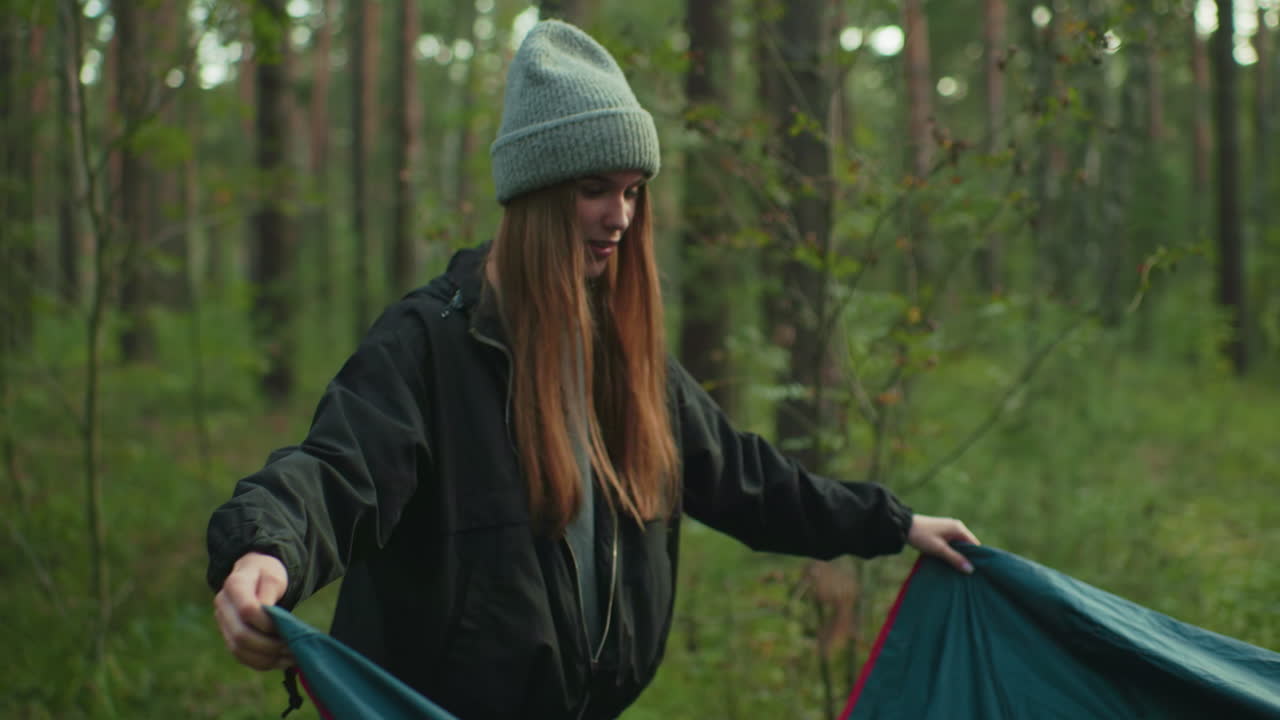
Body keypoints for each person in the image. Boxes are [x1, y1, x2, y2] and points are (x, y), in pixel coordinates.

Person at [208, 19, 979, 720]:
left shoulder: (622, 355)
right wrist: (264, 548)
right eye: (594, 191)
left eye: (633, 192)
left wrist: (893, 522)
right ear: (536, 194)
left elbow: (748, 479)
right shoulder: (429, 346)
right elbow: (336, 471)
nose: (621, 217)